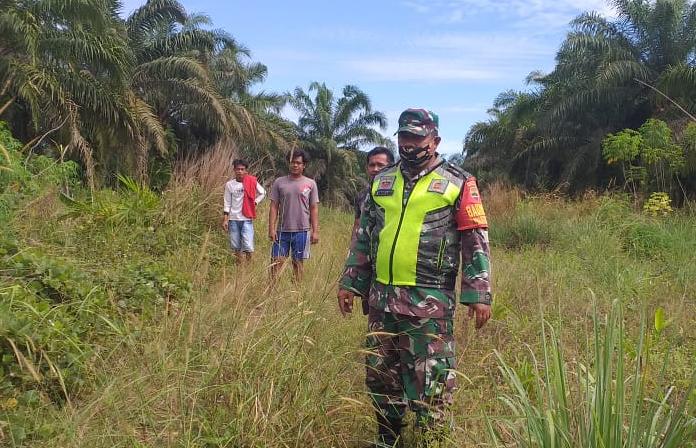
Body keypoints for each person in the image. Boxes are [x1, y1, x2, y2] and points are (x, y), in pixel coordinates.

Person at [337, 108, 492, 446]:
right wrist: (351, 281)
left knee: (431, 385)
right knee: (381, 379)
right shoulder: (383, 180)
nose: (409, 145)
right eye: (403, 137)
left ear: (434, 140)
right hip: (382, 303)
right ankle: (387, 439)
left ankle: (432, 441)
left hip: (429, 307)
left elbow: (475, 239)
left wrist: (478, 292)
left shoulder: (458, 182)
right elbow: (365, 236)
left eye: (416, 138)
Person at [268, 149, 320, 283]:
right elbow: (274, 206)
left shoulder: (310, 184)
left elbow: (314, 208)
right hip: (281, 231)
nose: (295, 165)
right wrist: (271, 228)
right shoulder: (279, 182)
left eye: (298, 163)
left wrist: (315, 231)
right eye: (292, 162)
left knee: (298, 263)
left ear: (304, 165)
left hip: (302, 231)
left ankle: (296, 293)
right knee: (276, 263)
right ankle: (271, 293)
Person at [222, 159, 266, 263]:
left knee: (248, 245)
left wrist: (255, 202)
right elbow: (227, 202)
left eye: (242, 169)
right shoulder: (230, 185)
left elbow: (263, 192)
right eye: (238, 169)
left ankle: (249, 266)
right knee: (236, 245)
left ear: (246, 171)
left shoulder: (251, 181)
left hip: (246, 218)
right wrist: (225, 219)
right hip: (233, 219)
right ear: (234, 170)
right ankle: (239, 265)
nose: (240, 171)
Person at [351, 146, 394, 240]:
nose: (375, 169)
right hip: (364, 248)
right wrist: (352, 249)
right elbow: (357, 224)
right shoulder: (362, 195)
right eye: (372, 165)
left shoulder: (398, 193)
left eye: (380, 165)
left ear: (392, 167)